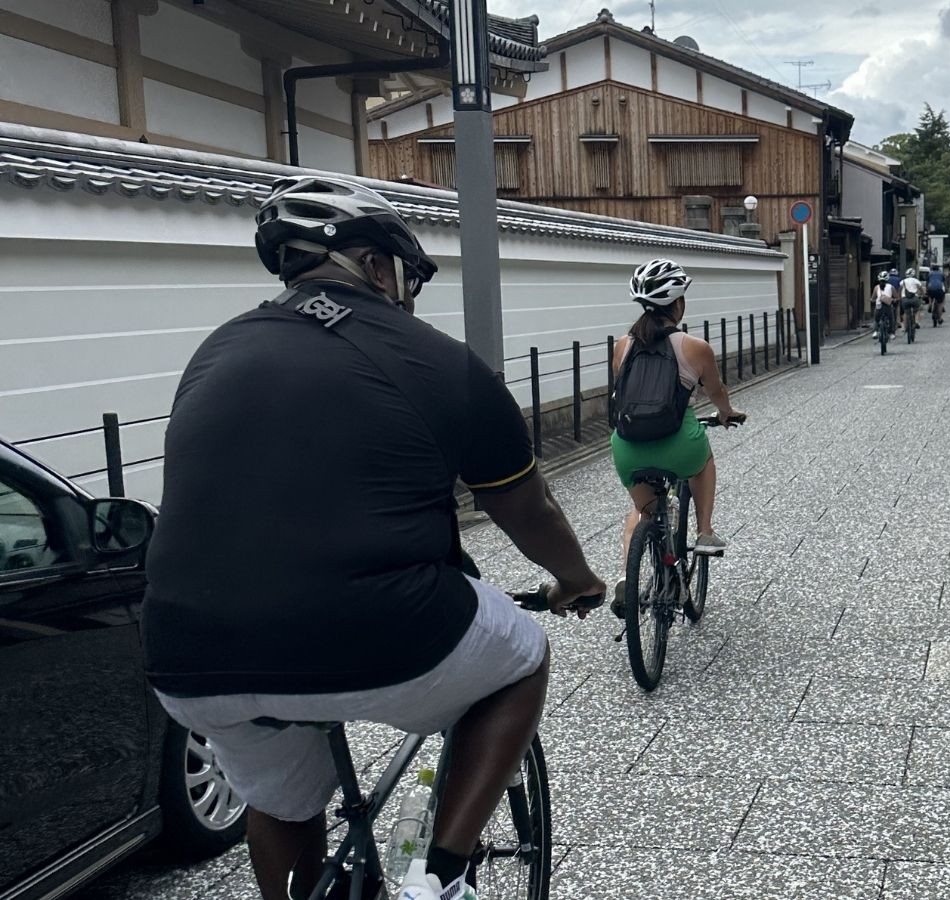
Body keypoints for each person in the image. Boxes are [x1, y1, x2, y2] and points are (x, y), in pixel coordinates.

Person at [141, 176, 606, 900]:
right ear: (379, 265)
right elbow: (528, 508)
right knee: (522, 657)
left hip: (186, 651)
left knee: (284, 803)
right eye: (408, 276)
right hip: (376, 626)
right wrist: (575, 580)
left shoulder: (217, 350)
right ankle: (439, 876)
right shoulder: (438, 360)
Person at [608, 259, 744, 615]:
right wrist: (726, 414)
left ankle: (627, 576)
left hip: (627, 446)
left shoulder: (622, 345)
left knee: (641, 511)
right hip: (677, 441)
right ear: (678, 304)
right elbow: (716, 391)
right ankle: (704, 532)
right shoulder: (696, 347)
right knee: (703, 463)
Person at [871, 271, 899, 340]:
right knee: (891, 319)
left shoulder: (876, 287)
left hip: (879, 306)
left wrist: (872, 300)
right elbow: (896, 297)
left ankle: (875, 332)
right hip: (888, 306)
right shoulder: (891, 287)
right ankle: (891, 333)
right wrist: (894, 300)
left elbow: (873, 298)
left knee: (876, 319)